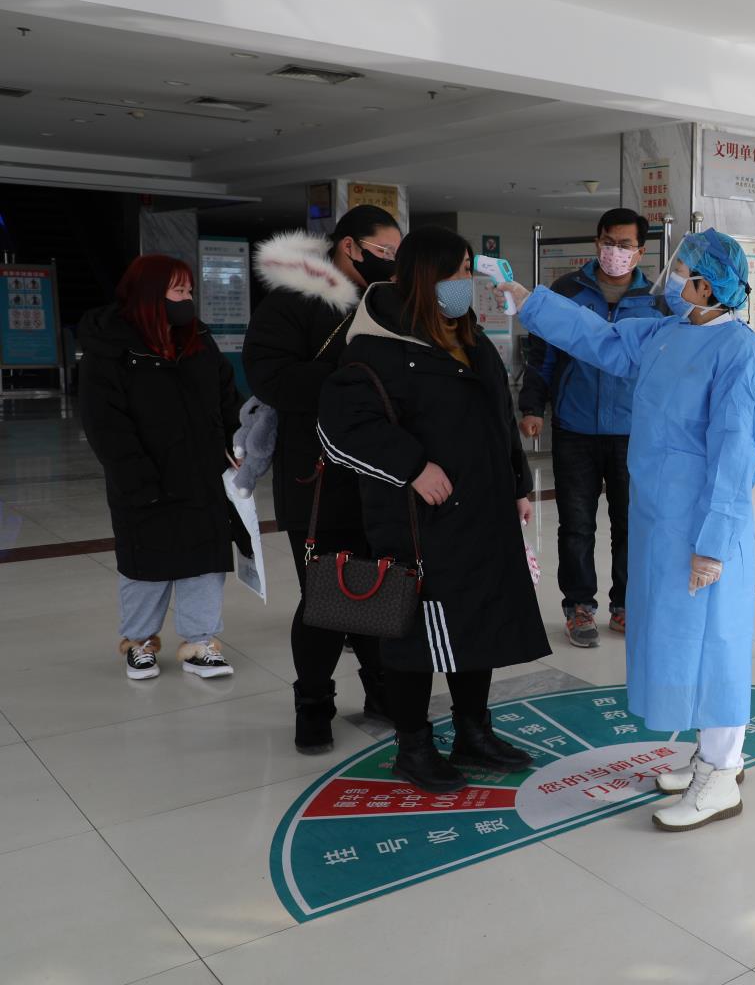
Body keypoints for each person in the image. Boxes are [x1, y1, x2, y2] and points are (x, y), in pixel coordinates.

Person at [502, 228, 755, 832]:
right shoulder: (664, 333)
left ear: (706, 286)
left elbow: (738, 453)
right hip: (659, 517)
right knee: (677, 640)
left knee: (713, 643)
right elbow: (597, 338)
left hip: (703, 521)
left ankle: (723, 773)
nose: (668, 278)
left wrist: (714, 544)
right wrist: (530, 300)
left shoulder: (740, 351)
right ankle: (709, 755)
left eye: (680, 271)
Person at [318, 226, 550, 793]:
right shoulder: (377, 345)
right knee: (415, 633)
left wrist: (518, 484)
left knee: (479, 623)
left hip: (484, 513)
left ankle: (474, 731)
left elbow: (499, 418)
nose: (466, 281)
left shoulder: (469, 337)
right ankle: (413, 746)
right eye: (458, 270)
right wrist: (413, 468)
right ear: (426, 275)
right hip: (420, 523)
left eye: (468, 268)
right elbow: (341, 429)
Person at [245, 206, 401, 754]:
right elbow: (269, 377)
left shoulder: (389, 302)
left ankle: (380, 689)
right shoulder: (292, 300)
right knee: (327, 595)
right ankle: (313, 704)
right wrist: (353, 376)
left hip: (379, 472)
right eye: (383, 251)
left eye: (397, 253)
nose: (392, 261)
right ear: (349, 247)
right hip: (315, 473)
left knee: (377, 583)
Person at [79, 254, 244, 681]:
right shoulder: (110, 348)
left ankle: (200, 642)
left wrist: (235, 439)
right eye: (178, 290)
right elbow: (104, 423)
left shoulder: (198, 339)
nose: (187, 298)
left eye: (189, 290)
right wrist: (136, 480)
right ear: (150, 294)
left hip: (202, 473)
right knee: (145, 566)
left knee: (205, 561)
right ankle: (139, 642)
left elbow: (226, 397)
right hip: (144, 477)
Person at [518, 208, 663, 646]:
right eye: (608, 242)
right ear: (597, 242)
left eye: (624, 244)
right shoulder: (566, 291)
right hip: (575, 427)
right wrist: (532, 406)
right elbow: (542, 355)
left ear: (640, 251)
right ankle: (579, 606)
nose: (614, 251)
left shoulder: (657, 300)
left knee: (630, 524)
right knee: (576, 524)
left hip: (633, 431)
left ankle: (626, 605)